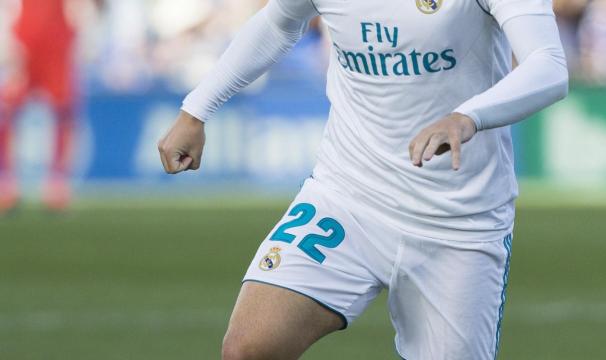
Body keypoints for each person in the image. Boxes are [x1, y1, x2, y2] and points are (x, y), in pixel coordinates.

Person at [158, 0, 568, 358]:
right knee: (249, 348)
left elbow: (548, 65)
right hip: (348, 196)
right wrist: (196, 110)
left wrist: (468, 117)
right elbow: (278, 22)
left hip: (458, 220)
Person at [0, 0, 99, 213]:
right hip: (24, 39)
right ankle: (5, 181)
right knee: (7, 111)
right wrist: (8, 38)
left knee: (63, 113)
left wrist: (83, 31)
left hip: (58, 43)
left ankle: (57, 182)